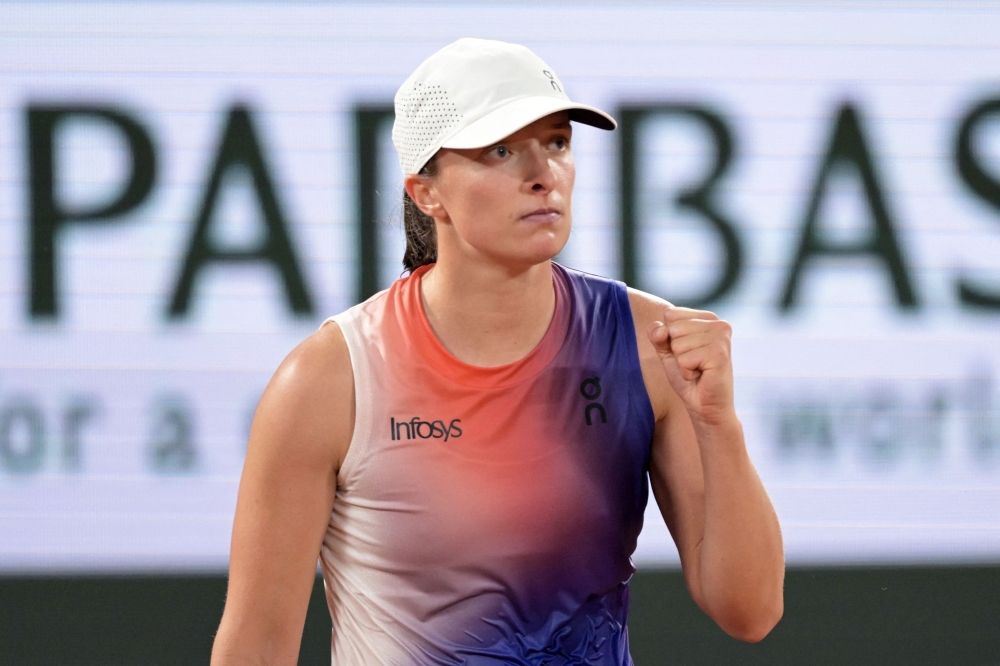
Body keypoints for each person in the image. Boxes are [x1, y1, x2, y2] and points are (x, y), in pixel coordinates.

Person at [211, 38, 783, 665]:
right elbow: (257, 644)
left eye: (558, 143)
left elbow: (750, 611)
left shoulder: (652, 346)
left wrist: (718, 426)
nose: (542, 174)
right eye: (501, 150)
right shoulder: (328, 379)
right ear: (427, 193)